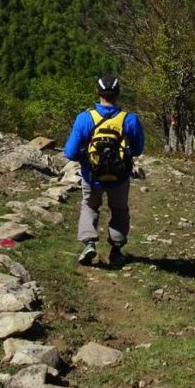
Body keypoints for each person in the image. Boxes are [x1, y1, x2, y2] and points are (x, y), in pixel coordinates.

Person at [64, 75, 145, 268]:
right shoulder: (129, 119)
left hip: (92, 176)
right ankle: (116, 250)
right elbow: (138, 149)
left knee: (89, 206)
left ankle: (89, 243)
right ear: (118, 93)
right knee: (119, 210)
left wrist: (87, 157)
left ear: (97, 92)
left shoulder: (85, 118)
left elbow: (70, 152)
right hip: (120, 177)